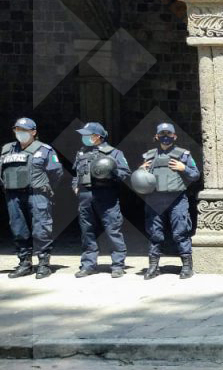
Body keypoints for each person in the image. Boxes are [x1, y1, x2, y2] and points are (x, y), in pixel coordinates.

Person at [2, 118, 63, 279]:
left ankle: (43, 264)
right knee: (18, 229)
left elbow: (56, 173)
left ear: (33, 132)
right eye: (17, 129)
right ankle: (25, 263)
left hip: (37, 194)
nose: (20, 133)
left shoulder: (45, 150)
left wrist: (45, 188)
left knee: (41, 228)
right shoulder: (7, 150)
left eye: (24, 130)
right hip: (13, 195)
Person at [138, 123, 200, 280]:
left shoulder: (184, 155)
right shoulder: (149, 156)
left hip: (177, 199)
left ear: (175, 136)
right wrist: (140, 171)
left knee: (180, 232)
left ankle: (186, 266)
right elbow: (138, 180)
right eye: (162, 134)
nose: (166, 137)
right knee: (154, 233)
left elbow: (195, 175)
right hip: (154, 199)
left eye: (169, 134)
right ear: (157, 136)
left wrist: (183, 168)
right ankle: (153, 266)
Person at [72, 122, 131, 278]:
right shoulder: (81, 152)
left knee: (113, 229)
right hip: (85, 196)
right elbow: (76, 174)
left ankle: (118, 265)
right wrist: (75, 186)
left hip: (106, 196)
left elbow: (125, 173)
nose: (83, 137)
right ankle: (88, 264)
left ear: (97, 136)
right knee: (87, 231)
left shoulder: (114, 153)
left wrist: (111, 172)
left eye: (87, 134)